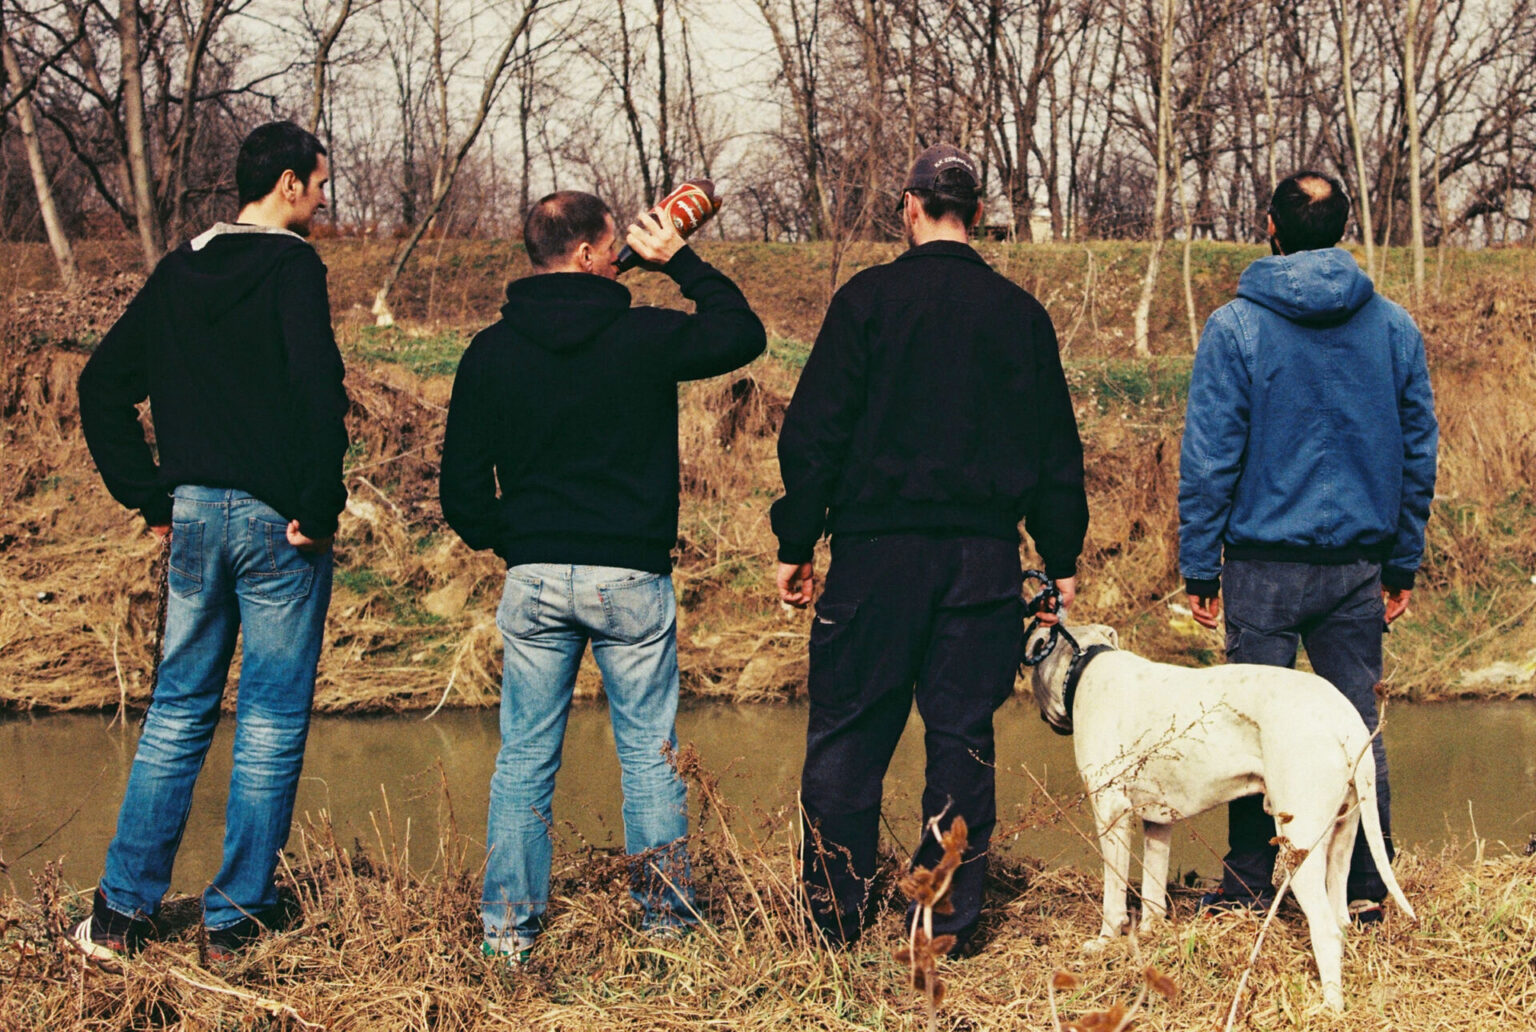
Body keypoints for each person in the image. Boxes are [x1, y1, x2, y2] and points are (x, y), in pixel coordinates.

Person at [772, 145, 1088, 953]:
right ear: (976, 214)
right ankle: (942, 921)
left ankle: (833, 919)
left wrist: (797, 539)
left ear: (909, 208)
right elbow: (1057, 450)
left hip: (876, 556)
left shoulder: (867, 301)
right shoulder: (1020, 313)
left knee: (847, 737)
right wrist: (1059, 558)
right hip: (980, 560)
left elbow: (815, 433)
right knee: (960, 741)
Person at [440, 191, 765, 962]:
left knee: (522, 757)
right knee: (651, 758)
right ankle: (664, 931)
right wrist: (678, 259)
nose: (625, 249)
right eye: (617, 240)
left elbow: (458, 492)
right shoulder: (644, 335)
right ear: (591, 252)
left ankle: (508, 936)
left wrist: (513, 540)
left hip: (536, 576)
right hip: (630, 574)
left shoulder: (490, 350)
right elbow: (742, 335)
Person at [74, 121, 347, 962]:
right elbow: (317, 387)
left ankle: (120, 918)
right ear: (291, 185)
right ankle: (232, 922)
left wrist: (148, 491)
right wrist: (319, 500)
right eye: (320, 183)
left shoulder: (179, 269)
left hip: (191, 514)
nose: (324, 198)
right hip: (277, 523)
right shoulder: (292, 266)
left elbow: (100, 385)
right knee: (266, 718)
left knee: (176, 711)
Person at [1179, 170, 1438, 920]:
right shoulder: (1393, 326)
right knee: (1356, 729)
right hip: (1358, 565)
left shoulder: (1236, 327)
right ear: (1343, 230)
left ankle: (1254, 884)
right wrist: (1403, 559)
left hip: (1261, 564)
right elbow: (1419, 453)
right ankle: (1361, 886)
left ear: (1272, 227)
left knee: (1250, 733)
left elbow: (1210, 456)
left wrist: (1200, 562)